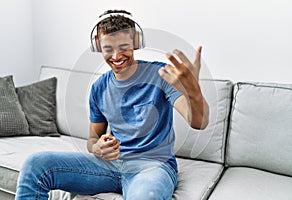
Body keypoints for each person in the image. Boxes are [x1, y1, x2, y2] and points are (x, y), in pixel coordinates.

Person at [15, 9, 209, 200]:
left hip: (152, 166)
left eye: (123, 46)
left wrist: (194, 92)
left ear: (135, 42)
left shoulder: (161, 75)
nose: (116, 56)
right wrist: (96, 148)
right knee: (35, 165)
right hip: (110, 165)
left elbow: (198, 122)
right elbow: (93, 138)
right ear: (99, 48)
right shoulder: (99, 87)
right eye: (108, 49)